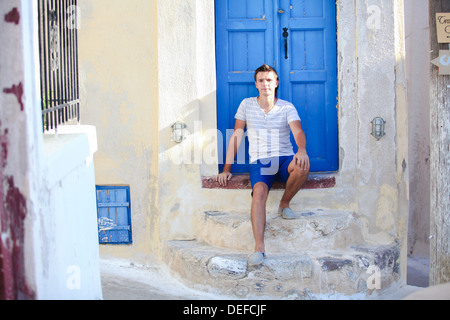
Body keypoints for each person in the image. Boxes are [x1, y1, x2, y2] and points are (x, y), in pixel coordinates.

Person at [216, 64, 310, 266]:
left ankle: (284, 204)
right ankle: (259, 248)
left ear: (276, 83)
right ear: (256, 84)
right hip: (260, 161)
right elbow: (236, 136)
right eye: (261, 80)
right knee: (258, 192)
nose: (265, 84)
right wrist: (226, 169)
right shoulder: (246, 104)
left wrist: (301, 150)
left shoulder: (287, 107)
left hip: (285, 158)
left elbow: (298, 132)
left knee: (303, 164)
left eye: (269, 80)